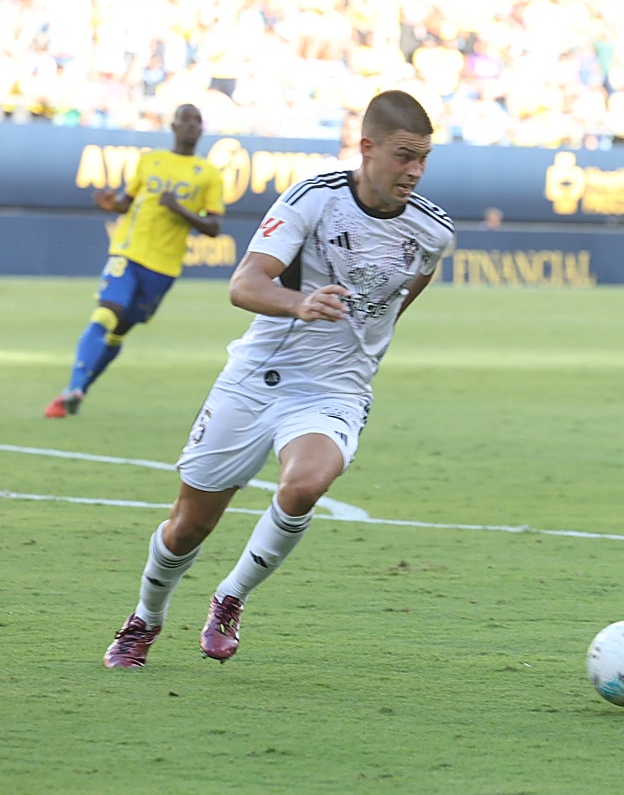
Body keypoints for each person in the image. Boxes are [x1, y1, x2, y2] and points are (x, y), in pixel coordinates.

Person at [102, 90, 456, 668]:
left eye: (424, 158)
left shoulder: (432, 232)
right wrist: (301, 304)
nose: (415, 170)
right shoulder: (313, 199)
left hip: (334, 391)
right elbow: (244, 284)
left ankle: (230, 596)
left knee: (304, 485)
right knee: (188, 527)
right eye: (404, 155)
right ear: (367, 148)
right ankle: (146, 617)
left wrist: (359, 353)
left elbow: (394, 302)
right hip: (257, 379)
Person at [44, 103, 225, 418]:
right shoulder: (149, 161)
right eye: (186, 120)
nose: (192, 126)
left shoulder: (208, 174)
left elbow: (213, 228)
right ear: (173, 125)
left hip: (164, 266)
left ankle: (78, 392)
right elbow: (126, 204)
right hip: (128, 252)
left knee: (120, 330)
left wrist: (179, 208)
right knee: (106, 311)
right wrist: (110, 204)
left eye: (198, 121)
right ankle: (72, 386)